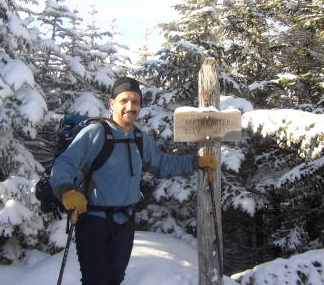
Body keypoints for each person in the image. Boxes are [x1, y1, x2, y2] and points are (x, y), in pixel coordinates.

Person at [50, 76, 217, 285]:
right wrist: (67, 191)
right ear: (112, 103)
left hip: (125, 222)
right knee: (96, 280)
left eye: (135, 101)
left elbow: (163, 164)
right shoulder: (95, 133)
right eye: (124, 100)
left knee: (116, 278)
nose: (130, 106)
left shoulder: (140, 139)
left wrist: (196, 161)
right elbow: (65, 164)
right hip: (94, 222)